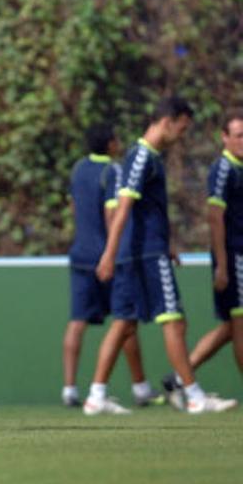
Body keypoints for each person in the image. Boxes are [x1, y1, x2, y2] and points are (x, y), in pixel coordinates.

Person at [86, 97, 237, 415]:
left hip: (142, 252)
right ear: (168, 121)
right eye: (182, 128)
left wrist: (168, 243)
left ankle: (95, 396)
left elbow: (145, 208)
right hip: (144, 255)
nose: (181, 135)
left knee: (124, 323)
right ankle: (194, 396)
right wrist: (108, 254)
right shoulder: (142, 155)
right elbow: (124, 206)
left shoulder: (148, 156)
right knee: (174, 322)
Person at [63, 124, 163, 408]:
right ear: (110, 145)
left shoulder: (78, 169)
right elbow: (112, 214)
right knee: (125, 319)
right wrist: (111, 253)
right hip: (107, 257)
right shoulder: (114, 171)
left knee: (77, 322)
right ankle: (138, 387)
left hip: (80, 254)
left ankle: (69, 389)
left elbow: (74, 207)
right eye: (117, 139)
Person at [162, 108, 243, 408]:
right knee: (239, 325)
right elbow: (215, 217)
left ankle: (178, 378)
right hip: (233, 257)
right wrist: (222, 265)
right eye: (238, 135)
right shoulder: (223, 169)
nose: (242, 141)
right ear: (224, 138)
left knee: (229, 329)